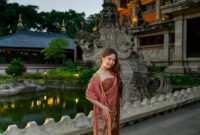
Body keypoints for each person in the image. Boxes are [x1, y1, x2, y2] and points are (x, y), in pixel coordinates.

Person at [86, 48, 123, 135]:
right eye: (109, 59)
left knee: (114, 130)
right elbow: (88, 95)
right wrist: (103, 108)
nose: (111, 62)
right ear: (103, 58)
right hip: (104, 109)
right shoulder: (96, 77)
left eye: (114, 60)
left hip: (115, 107)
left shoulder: (113, 72)